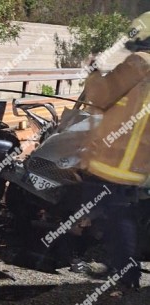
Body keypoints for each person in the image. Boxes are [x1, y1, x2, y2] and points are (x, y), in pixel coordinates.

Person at [79, 11, 150, 290]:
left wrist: (92, 71)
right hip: (137, 163)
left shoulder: (140, 62)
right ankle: (123, 270)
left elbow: (101, 94)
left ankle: (125, 275)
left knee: (112, 217)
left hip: (114, 160)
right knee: (119, 216)